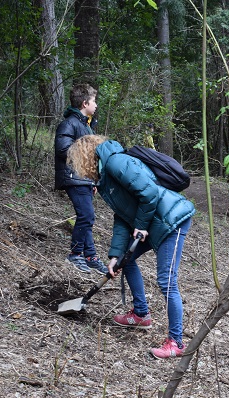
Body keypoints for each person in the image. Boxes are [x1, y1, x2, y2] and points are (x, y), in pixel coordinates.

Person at [67, 135, 196, 359]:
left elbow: (150, 193)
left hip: (171, 220)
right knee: (126, 261)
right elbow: (122, 216)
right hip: (153, 221)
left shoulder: (116, 162)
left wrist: (141, 226)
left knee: (166, 280)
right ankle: (140, 314)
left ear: (85, 157)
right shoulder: (105, 178)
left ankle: (176, 342)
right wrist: (115, 255)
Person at [54, 83, 107, 275]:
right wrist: (87, 146)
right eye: (94, 101)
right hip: (72, 178)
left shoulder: (86, 125)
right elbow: (62, 149)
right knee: (87, 216)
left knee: (87, 217)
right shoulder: (69, 123)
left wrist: (93, 180)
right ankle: (76, 254)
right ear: (85, 103)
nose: (96, 105)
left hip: (83, 179)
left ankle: (90, 256)